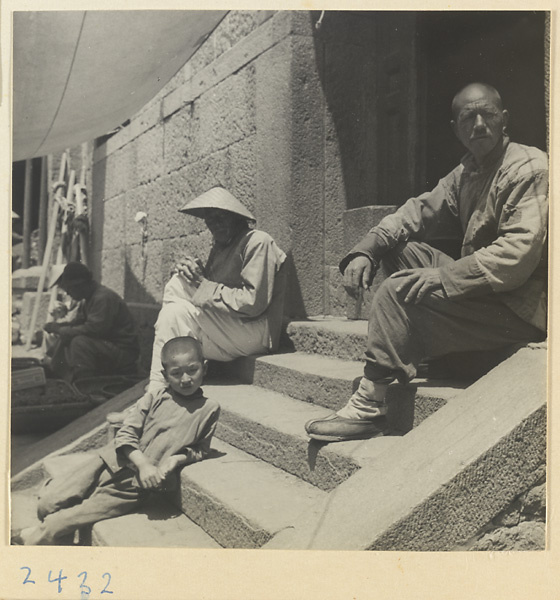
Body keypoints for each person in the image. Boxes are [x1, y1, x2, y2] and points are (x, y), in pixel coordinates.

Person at [306, 82, 548, 442]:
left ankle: (371, 405)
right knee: (397, 250)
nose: (479, 124)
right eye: (468, 117)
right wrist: (366, 248)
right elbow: (416, 212)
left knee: (397, 290)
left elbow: (516, 256)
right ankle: (417, 346)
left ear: (504, 120)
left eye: (488, 114)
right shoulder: (468, 171)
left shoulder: (529, 167)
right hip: (487, 296)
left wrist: (444, 276)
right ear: (456, 129)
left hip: (523, 307)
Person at [13, 336, 220, 545]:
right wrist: (143, 464)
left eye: (192, 370)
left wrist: (175, 460)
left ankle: (30, 539)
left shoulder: (209, 409)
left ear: (204, 367)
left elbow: (200, 449)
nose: (185, 379)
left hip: (131, 487)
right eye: (176, 373)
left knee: (61, 521)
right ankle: (54, 527)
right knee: (47, 504)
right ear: (165, 375)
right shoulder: (155, 397)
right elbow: (126, 432)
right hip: (106, 462)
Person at [148, 187, 287, 393]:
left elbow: (252, 303)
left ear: (236, 218)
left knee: (178, 291)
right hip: (229, 330)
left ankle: (159, 387)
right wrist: (195, 273)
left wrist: (200, 282)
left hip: (256, 331)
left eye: (221, 217)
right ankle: (158, 387)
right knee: (173, 309)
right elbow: (211, 296)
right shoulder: (220, 248)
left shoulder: (257, 241)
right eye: (210, 219)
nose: (215, 223)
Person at [43, 262, 140, 382]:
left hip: (123, 351)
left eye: (69, 289)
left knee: (80, 342)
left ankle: (86, 383)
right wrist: (59, 326)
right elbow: (78, 323)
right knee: (67, 336)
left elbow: (94, 330)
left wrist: (61, 329)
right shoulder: (88, 299)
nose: (68, 293)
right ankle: (55, 370)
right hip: (107, 345)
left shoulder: (102, 298)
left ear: (80, 285)